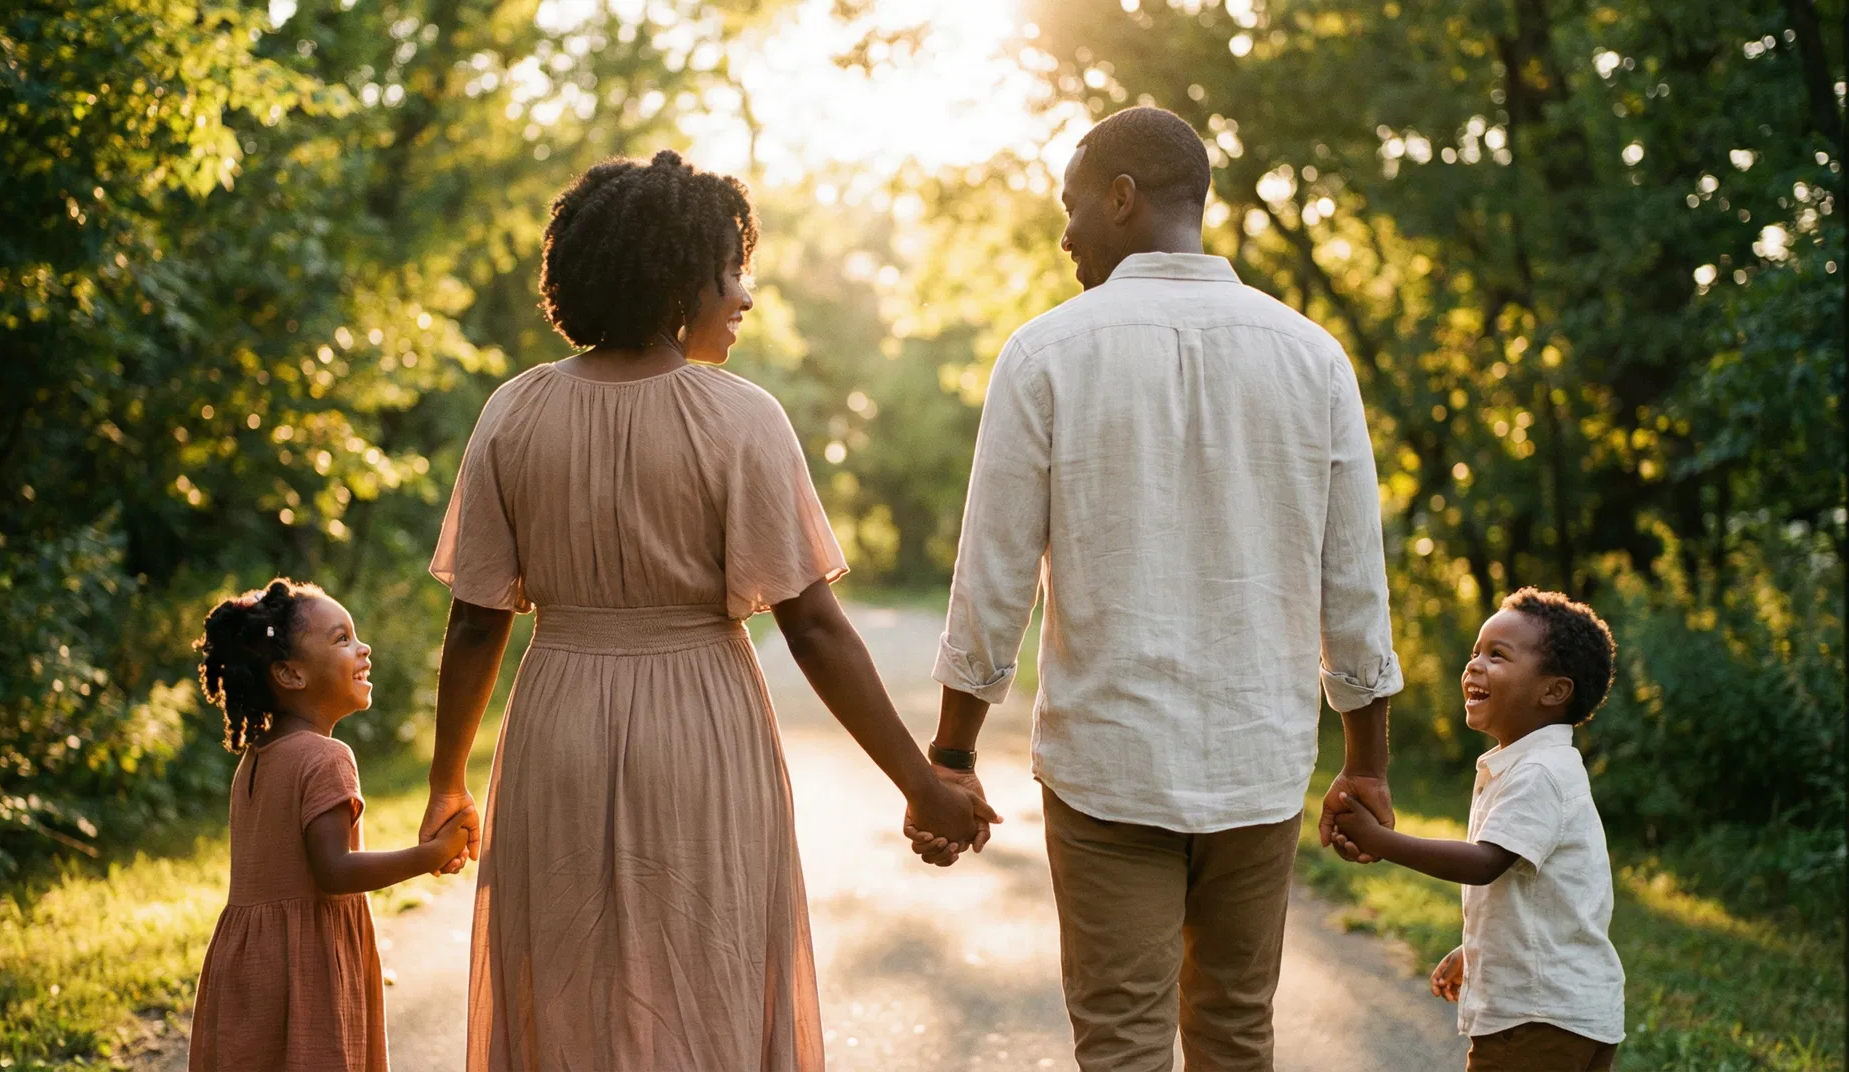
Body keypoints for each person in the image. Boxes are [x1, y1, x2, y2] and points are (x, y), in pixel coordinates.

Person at [416, 149, 997, 1072]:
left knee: (568, 977)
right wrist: (921, 784)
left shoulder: (512, 412)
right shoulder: (741, 418)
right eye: (733, 269)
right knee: (707, 973)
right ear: (681, 277)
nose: (746, 293)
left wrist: (448, 783)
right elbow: (811, 625)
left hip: (555, 725)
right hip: (701, 726)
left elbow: (476, 621)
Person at [905, 106, 1404, 1072]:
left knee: (1122, 1045)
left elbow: (993, 577)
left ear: (1123, 198)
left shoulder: (1046, 353)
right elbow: (1355, 582)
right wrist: (1367, 762)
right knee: (1234, 1034)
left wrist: (954, 753)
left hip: (1109, 772)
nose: (1066, 234)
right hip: (1257, 767)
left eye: (1073, 206)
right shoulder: (1313, 357)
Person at [1333, 588, 1625, 1071]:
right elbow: (1534, 900)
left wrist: (1381, 841)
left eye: (1497, 655)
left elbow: (1486, 863)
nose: (1474, 665)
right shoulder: (1533, 765)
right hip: (1566, 1011)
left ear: (1553, 690)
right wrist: (1475, 950)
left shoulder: (1539, 772)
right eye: (1475, 652)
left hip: (1536, 1020)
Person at [186, 578, 471, 1072]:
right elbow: (334, 871)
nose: (363, 649)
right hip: (306, 966)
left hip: (247, 963)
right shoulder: (327, 758)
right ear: (290, 674)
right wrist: (430, 854)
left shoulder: (256, 759)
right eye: (341, 639)